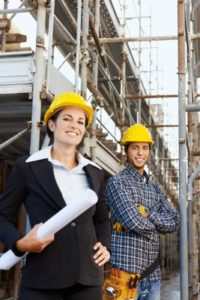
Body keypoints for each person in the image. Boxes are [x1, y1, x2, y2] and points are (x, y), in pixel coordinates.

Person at [0, 92, 111, 300]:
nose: (74, 125)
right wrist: (20, 243)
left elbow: (102, 219)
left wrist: (105, 245)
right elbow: (2, 216)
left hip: (86, 280)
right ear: (51, 125)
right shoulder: (28, 167)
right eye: (67, 119)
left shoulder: (95, 172)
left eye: (80, 121)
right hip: (42, 279)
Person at [105, 124, 179, 300]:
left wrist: (149, 214)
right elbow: (133, 221)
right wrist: (158, 226)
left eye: (144, 148)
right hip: (124, 273)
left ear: (149, 152)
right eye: (135, 148)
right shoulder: (117, 183)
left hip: (152, 275)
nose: (140, 153)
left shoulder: (154, 189)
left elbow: (174, 221)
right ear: (127, 151)